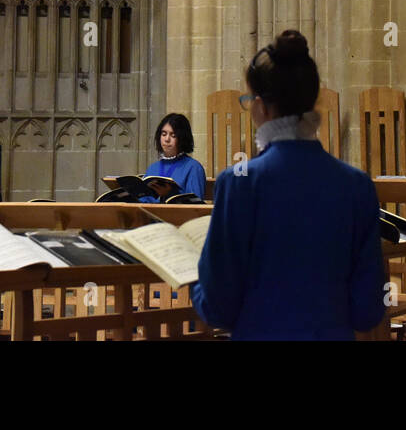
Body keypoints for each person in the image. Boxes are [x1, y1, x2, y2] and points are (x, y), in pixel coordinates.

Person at [191, 30, 385, 339]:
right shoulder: (356, 185)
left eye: (249, 100)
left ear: (262, 107)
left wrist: (193, 279)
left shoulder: (239, 183)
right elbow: (367, 310)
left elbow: (219, 308)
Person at [141, 113, 206, 202]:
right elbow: (144, 201)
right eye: (164, 134)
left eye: (173, 135)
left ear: (182, 138)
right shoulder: (153, 168)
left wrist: (169, 194)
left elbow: (196, 205)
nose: (167, 139)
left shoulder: (193, 167)